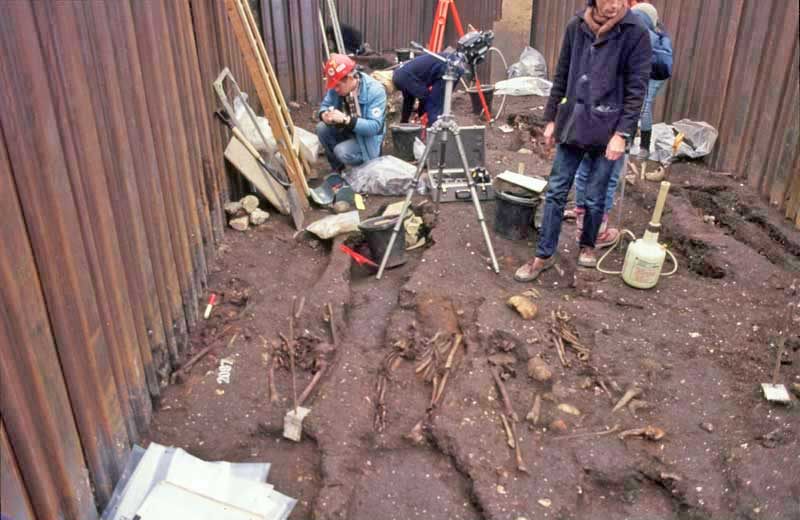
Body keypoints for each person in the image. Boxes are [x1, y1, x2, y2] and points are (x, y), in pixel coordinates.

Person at [514, 0, 651, 282]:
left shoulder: (635, 31)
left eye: (620, 0)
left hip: (608, 126)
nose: (614, 5)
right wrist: (551, 119)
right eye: (608, 0)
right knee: (555, 191)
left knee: (594, 194)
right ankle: (544, 254)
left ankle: (587, 245)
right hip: (573, 123)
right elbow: (562, 75)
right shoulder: (576, 26)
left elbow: (638, 89)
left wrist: (621, 135)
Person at [316, 54, 387, 173]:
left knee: (341, 151)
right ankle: (338, 170)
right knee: (322, 128)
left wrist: (345, 119)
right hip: (347, 130)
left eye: (338, 85)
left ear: (350, 78)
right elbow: (325, 106)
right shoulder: (336, 87)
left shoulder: (375, 91)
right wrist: (324, 115)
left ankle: (365, 169)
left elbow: (374, 127)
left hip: (368, 138)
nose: (335, 89)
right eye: (334, 86)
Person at [631, 2, 672, 159]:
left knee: (644, 106)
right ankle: (629, 139)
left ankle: (644, 148)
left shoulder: (648, 34)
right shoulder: (653, 30)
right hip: (649, 71)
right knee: (637, 103)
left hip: (655, 74)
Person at [391, 52, 459, 126]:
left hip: (448, 66)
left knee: (433, 105)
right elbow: (409, 100)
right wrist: (404, 122)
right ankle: (436, 130)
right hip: (450, 63)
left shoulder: (400, 79)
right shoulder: (400, 75)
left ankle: (435, 133)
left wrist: (420, 113)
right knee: (437, 105)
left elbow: (424, 95)